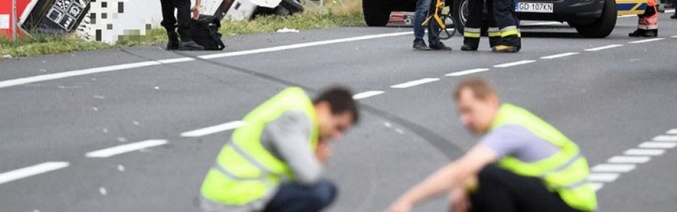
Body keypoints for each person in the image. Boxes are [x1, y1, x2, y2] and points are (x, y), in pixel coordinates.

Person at [386, 77, 598, 212]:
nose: (464, 120)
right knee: (478, 182)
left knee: (487, 176)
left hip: (573, 206)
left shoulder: (509, 127)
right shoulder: (508, 120)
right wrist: (464, 186)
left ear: (490, 101)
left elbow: (461, 169)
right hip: (556, 201)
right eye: (461, 113)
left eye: (469, 110)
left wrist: (407, 202)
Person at [198, 86, 359, 212]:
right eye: (338, 127)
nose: (337, 136)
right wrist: (317, 160)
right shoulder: (294, 119)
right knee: (321, 191)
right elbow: (308, 175)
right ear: (324, 108)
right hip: (231, 199)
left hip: (239, 192)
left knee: (321, 190)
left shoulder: (298, 109)